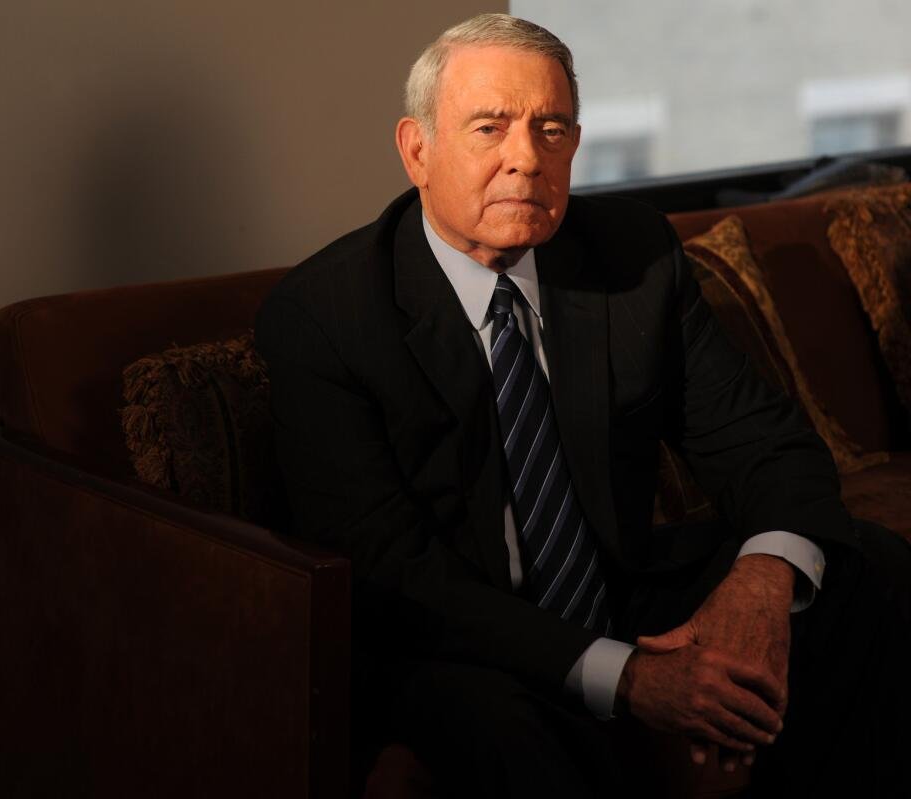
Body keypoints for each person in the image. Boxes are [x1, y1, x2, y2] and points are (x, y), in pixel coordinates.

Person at [255, 13, 911, 797]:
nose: (527, 158)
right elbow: (392, 575)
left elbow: (766, 442)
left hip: (616, 593)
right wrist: (630, 677)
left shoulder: (632, 256)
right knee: (493, 725)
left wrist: (761, 582)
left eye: (552, 128)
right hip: (455, 639)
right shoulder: (326, 316)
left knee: (867, 569)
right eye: (490, 127)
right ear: (417, 150)